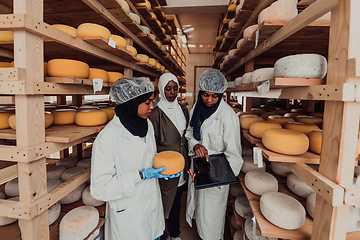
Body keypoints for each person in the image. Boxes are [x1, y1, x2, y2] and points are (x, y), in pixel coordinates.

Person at [90, 77, 180, 240]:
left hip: (152, 209)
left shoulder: (147, 124)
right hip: (129, 217)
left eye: (152, 101)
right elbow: (99, 189)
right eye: (147, 102)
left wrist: (160, 170)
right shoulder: (108, 137)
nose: (152, 106)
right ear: (131, 102)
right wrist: (139, 175)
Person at [185, 69, 243, 240]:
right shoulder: (197, 108)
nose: (209, 100)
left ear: (221, 95)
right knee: (200, 213)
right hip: (199, 169)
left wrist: (218, 178)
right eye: (205, 95)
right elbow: (189, 132)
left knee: (211, 222)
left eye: (214, 96)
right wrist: (195, 145)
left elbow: (234, 156)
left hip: (216, 177)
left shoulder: (228, 116)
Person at [149, 73, 190, 240]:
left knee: (177, 198)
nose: (172, 92)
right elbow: (151, 141)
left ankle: (174, 233)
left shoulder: (183, 109)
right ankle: (161, 233)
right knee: (164, 200)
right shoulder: (156, 112)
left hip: (182, 161)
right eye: (168, 89)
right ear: (161, 90)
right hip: (165, 163)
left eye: (175, 88)